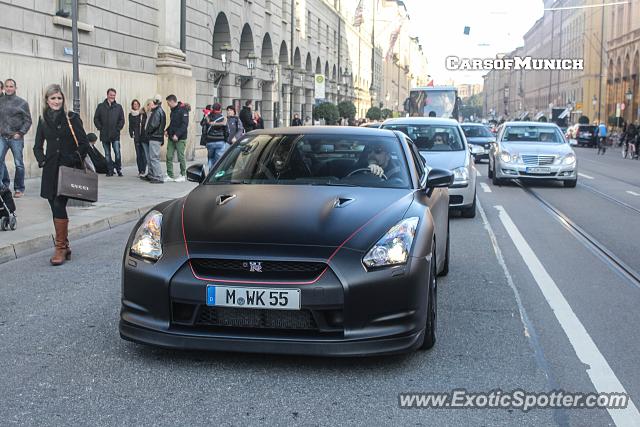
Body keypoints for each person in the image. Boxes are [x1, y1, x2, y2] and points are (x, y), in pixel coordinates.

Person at [32, 84, 89, 266]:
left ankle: (60, 248)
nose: (56, 101)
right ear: (47, 100)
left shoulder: (72, 118)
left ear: (63, 100)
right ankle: (64, 245)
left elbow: (84, 144)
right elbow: (37, 146)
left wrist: (72, 158)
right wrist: (42, 160)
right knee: (53, 205)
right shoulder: (42, 120)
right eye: (53, 98)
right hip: (50, 170)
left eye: (59, 98)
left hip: (66, 169)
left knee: (58, 203)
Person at [0, 78, 32, 198]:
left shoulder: (22, 103)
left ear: (15, 88)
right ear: (4, 88)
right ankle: (3, 187)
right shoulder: (0, 101)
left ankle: (19, 188)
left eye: (11, 86)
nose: (9, 88)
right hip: (2, 137)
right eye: (7, 86)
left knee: (18, 163)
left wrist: (21, 133)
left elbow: (28, 120)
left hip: (16, 138)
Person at [93, 88, 125, 176]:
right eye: (111, 95)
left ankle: (118, 169)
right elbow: (96, 118)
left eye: (114, 95)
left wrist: (118, 128)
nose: (112, 96)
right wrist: (100, 128)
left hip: (115, 134)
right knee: (107, 154)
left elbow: (122, 119)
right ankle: (110, 170)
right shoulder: (101, 106)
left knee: (117, 153)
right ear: (107, 95)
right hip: (104, 134)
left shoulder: (118, 107)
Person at [165, 94, 189, 182]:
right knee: (169, 156)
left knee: (180, 156)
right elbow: (172, 124)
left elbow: (184, 125)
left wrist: (177, 135)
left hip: (180, 138)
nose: (168, 105)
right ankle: (170, 175)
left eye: (168, 103)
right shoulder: (173, 111)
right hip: (171, 137)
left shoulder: (183, 110)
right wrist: (167, 130)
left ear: (172, 101)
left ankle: (183, 174)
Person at [144, 97, 166, 183]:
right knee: (153, 157)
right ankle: (155, 175)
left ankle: (158, 176)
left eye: (152, 103)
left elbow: (153, 125)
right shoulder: (159, 111)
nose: (151, 104)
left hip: (155, 137)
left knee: (154, 158)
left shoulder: (157, 111)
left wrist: (148, 132)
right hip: (156, 137)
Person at [202, 103, 228, 171]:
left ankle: (210, 172)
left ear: (212, 109)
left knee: (210, 158)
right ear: (220, 109)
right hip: (220, 141)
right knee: (218, 160)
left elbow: (204, 129)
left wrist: (205, 140)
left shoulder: (208, 117)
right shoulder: (223, 118)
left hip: (210, 141)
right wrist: (225, 140)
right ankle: (215, 175)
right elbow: (227, 131)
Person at [128, 99, 147, 177]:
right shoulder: (131, 114)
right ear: (132, 106)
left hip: (144, 136)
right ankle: (140, 171)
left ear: (139, 105)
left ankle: (144, 169)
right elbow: (130, 125)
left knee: (144, 154)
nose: (135, 105)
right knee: (138, 154)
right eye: (134, 104)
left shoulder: (143, 113)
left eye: (136, 104)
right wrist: (131, 133)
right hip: (136, 136)